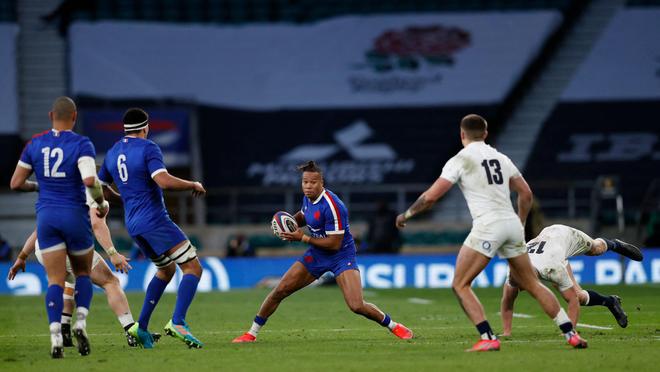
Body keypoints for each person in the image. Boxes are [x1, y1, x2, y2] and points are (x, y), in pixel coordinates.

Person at [396, 114, 587, 351]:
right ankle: (571, 334)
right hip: (511, 225)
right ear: (485, 134)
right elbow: (526, 193)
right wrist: (520, 223)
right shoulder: (501, 158)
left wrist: (407, 215)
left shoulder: (461, 159)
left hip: (488, 226)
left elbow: (432, 196)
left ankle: (488, 338)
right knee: (533, 284)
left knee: (460, 284)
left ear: (462, 134)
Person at [232, 161, 413, 343]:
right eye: (305, 182)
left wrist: (301, 237)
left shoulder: (334, 206)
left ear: (322, 183)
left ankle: (393, 326)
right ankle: (251, 334)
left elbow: (334, 244)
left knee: (356, 305)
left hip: (341, 255)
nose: (308, 186)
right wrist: (289, 224)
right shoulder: (307, 199)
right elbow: (304, 215)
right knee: (280, 290)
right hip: (317, 253)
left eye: (313, 182)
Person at [97, 108, 206, 349]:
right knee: (193, 268)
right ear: (145, 128)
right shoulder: (148, 148)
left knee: (165, 271)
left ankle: (141, 328)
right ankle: (178, 322)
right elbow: (163, 180)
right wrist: (193, 184)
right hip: (155, 220)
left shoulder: (113, 151)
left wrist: (126, 198)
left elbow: (102, 189)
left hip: (134, 224)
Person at [10, 96, 108, 358]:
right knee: (83, 275)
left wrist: (38, 186)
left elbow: (15, 183)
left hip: (47, 219)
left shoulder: (36, 144)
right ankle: (80, 323)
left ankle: (55, 336)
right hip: (74, 217)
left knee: (54, 280)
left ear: (51, 115)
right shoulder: (81, 143)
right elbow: (89, 179)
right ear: (74, 117)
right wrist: (101, 202)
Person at [7, 189, 161, 347]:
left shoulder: (61, 192)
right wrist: (112, 253)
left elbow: (39, 229)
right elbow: (97, 224)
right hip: (70, 246)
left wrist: (21, 257)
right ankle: (131, 331)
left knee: (70, 281)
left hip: (44, 248)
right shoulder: (94, 193)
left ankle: (64, 331)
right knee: (111, 282)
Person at [501, 224, 643, 335]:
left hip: (564, 235)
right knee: (581, 297)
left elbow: (572, 301)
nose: (520, 289)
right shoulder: (515, 269)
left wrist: (571, 333)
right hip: (551, 249)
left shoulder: (553, 269)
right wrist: (507, 332)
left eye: (522, 286)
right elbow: (507, 302)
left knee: (595, 249)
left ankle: (614, 244)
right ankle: (611, 301)